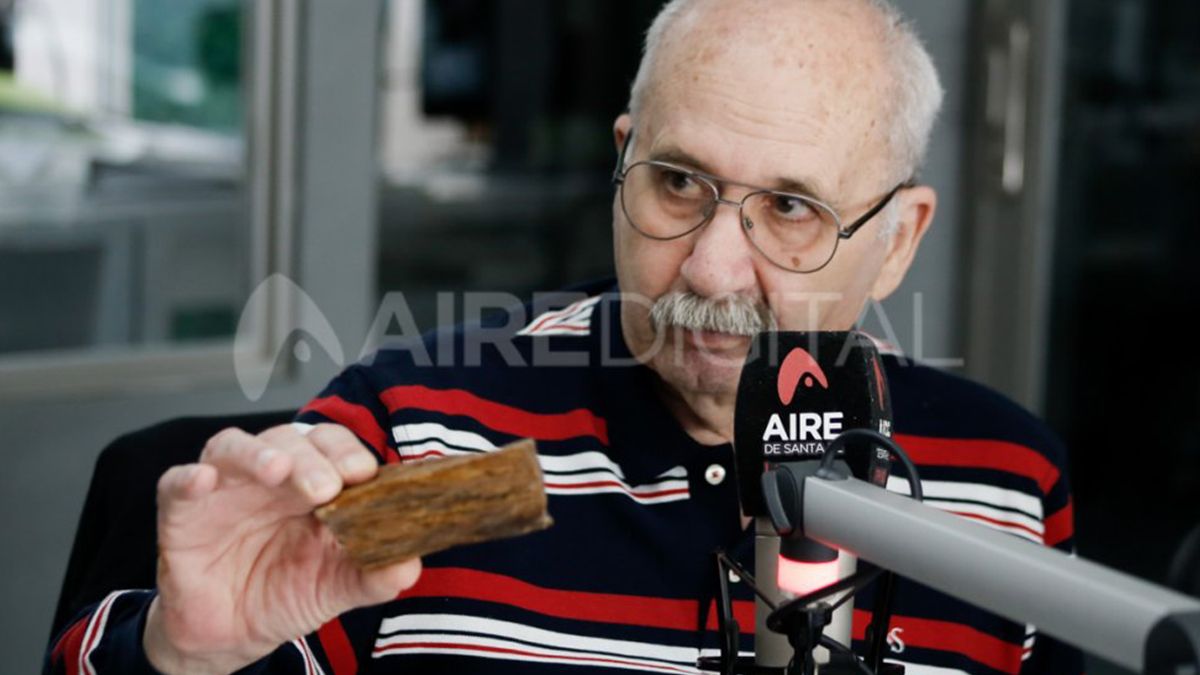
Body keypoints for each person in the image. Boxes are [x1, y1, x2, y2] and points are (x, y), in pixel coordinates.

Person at [46, 0, 1082, 673]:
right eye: (679, 183)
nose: (715, 270)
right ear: (623, 161)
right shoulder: (419, 437)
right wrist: (179, 653)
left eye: (792, 211)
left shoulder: (1006, 485)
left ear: (897, 240)